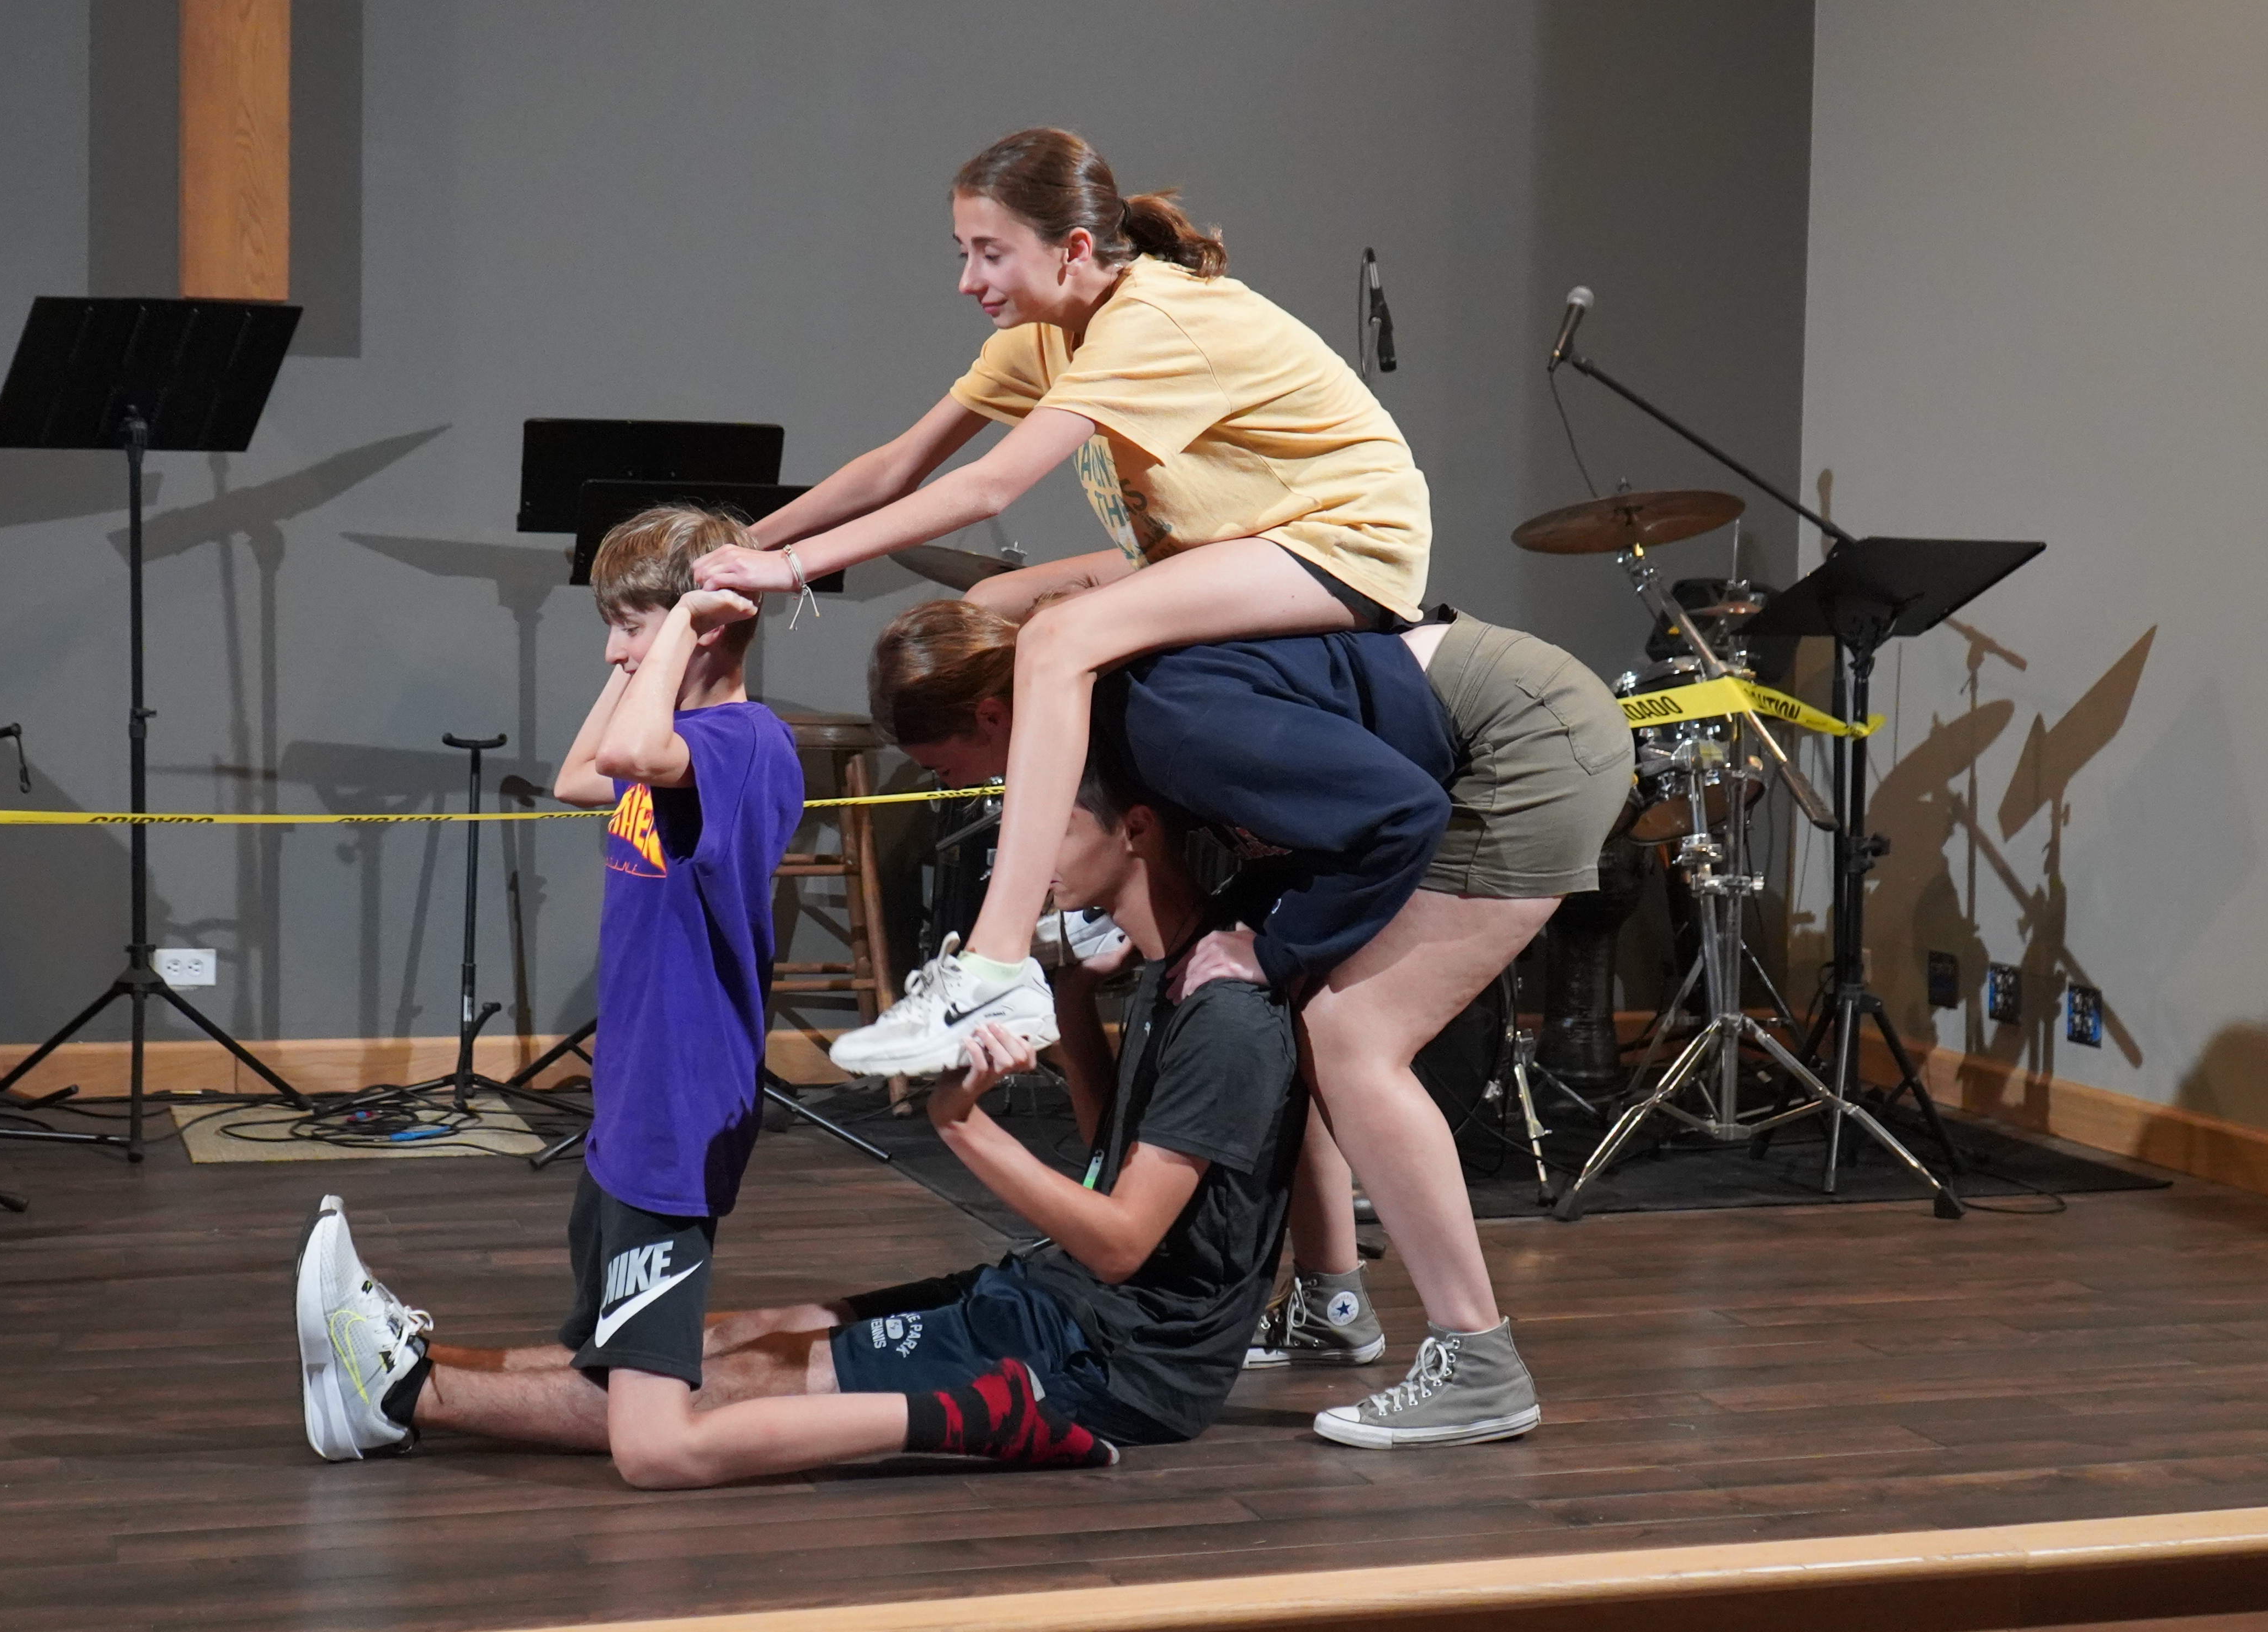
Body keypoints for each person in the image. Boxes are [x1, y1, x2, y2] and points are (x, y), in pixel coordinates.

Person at [288, 735, 1303, 1485]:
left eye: (1053, 828)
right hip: (1062, 1299)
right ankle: (416, 1352)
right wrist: (1077, 1002)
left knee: (742, 1378)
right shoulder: (1177, 978)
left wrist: (960, 1124)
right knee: (741, 1331)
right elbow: (1109, 1163)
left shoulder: (1227, 1017)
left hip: (1111, 1362)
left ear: (1136, 830)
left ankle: (398, 1393)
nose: (1020, 855)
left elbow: (1126, 1241)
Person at [695, 127, 1433, 1078]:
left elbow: (985, 489)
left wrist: (789, 574)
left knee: (1063, 635)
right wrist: (744, 546)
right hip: (1232, 540)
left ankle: (1000, 960)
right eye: (964, 252)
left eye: (989, 252)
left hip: (1344, 539)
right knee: (1002, 605)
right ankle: (1098, 889)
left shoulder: (1154, 320)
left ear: (1073, 248)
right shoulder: (1045, 334)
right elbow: (896, 465)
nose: (969, 280)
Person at [868, 597, 1626, 1448]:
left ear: (994, 713)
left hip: (1526, 744)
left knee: (1352, 1036)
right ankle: (1332, 1304)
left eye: (952, 765)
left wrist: (1272, 951)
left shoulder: (1169, 725)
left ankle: (1479, 1360)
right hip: (1464, 744)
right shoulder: (1127, 726)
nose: (984, 791)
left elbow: (1401, 814)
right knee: (1296, 1007)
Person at [293, 502, 800, 1478]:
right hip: (633, 1093)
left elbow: (626, 757)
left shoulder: (743, 743)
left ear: (711, 622)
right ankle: (401, 1374)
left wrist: (690, 624)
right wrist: (659, 645)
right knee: (600, 1353)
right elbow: (580, 774)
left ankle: (395, 1392)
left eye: (632, 628)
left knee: (639, 1404)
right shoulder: (675, 742)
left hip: (680, 1104)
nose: (615, 653)